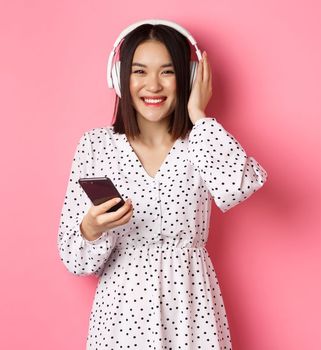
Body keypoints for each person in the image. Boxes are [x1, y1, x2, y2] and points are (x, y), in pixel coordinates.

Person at [57, 19, 267, 349]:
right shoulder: (95, 146)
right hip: (120, 315)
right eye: (139, 71)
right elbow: (75, 260)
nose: (153, 85)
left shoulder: (201, 142)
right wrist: (92, 228)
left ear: (188, 78)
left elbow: (239, 186)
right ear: (120, 78)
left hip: (190, 307)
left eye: (166, 72)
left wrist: (199, 115)